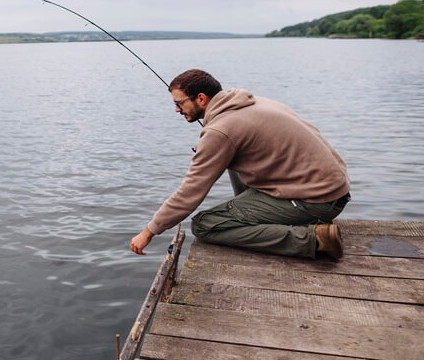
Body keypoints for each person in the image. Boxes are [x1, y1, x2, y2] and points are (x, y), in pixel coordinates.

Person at [129, 69, 350, 260]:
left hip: (317, 200)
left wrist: (149, 231)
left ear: (202, 99)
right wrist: (212, 148)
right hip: (332, 186)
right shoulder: (249, 102)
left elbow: (190, 192)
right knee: (232, 161)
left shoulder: (221, 130)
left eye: (179, 103)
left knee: (205, 225)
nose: (177, 110)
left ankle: (314, 239)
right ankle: (258, 218)